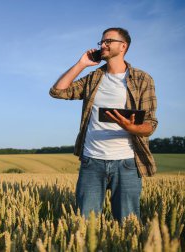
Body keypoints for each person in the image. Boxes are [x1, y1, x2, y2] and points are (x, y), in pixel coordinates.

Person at [49, 27, 158, 222]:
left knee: (128, 225)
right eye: (102, 42)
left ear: (123, 46)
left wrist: (130, 127)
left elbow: (150, 124)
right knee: (85, 225)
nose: (103, 45)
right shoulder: (93, 78)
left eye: (108, 41)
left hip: (127, 163)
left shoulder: (143, 79)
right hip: (92, 161)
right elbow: (58, 91)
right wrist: (81, 64)